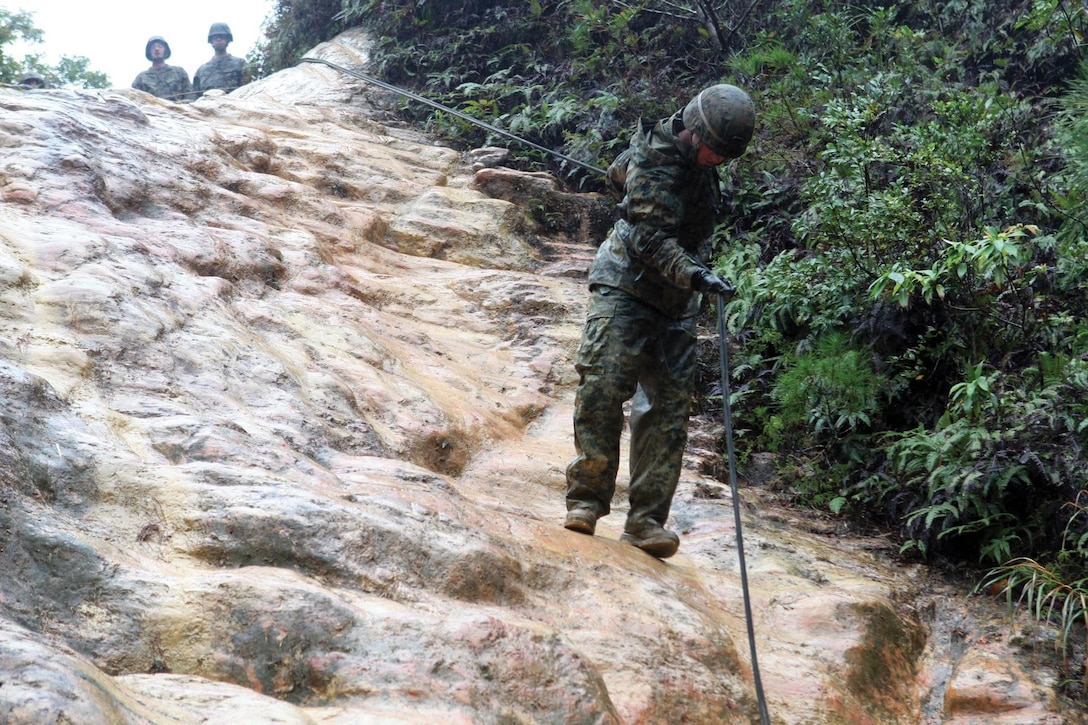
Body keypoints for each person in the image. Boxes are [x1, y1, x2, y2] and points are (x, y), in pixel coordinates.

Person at [562, 83, 756, 559]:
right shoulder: (654, 155)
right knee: (604, 386)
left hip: (675, 301)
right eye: (716, 151)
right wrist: (695, 273)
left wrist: (694, 277)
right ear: (694, 132)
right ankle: (587, 500)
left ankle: (646, 521)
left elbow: (625, 182)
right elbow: (648, 238)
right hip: (625, 284)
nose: (720, 161)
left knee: (668, 413)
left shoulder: (701, 164)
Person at [192, 23, 247, 97]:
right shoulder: (201, 70)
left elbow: (248, 90)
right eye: (215, 37)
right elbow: (195, 97)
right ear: (211, 40)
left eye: (221, 37)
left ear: (228, 39)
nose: (218, 39)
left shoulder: (240, 64)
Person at [132, 36, 192, 102]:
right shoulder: (141, 78)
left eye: (160, 46)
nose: (156, 49)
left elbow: (191, 96)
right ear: (149, 52)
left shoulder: (179, 72)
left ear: (165, 50)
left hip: (178, 110)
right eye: (153, 47)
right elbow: (134, 101)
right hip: (151, 111)